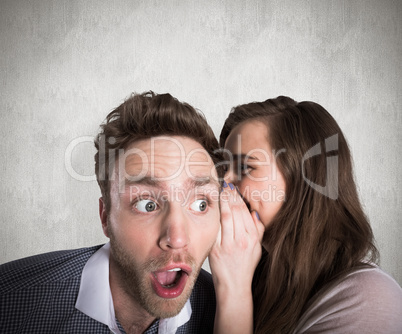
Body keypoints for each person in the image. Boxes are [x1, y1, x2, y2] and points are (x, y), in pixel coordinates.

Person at [0, 91, 224, 333]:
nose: (177, 239)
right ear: (105, 217)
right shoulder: (8, 302)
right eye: (147, 204)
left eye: (201, 204)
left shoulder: (228, 315)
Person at [209, 96, 402, 333]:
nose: (224, 183)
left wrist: (234, 287)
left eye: (244, 167)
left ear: (306, 178)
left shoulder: (368, 300)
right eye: (224, 169)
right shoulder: (264, 285)